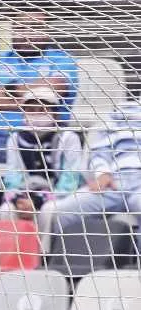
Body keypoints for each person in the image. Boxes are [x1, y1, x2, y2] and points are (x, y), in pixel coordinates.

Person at [0, 10, 79, 164]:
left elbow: (54, 88)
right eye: (21, 28)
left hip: (41, 140)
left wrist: (6, 91)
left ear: (47, 32)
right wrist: (29, 103)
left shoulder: (62, 60)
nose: (28, 33)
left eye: (35, 27)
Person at [48, 100, 141, 238]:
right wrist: (102, 173)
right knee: (61, 212)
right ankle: (65, 252)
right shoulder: (121, 113)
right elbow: (100, 151)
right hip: (113, 182)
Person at [0, 87, 83, 226]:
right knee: (6, 209)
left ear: (55, 114)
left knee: (48, 209)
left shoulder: (69, 138)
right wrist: (18, 199)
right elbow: (12, 178)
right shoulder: (15, 139)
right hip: (26, 194)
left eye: (42, 110)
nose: (36, 114)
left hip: (59, 195)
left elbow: (70, 181)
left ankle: (45, 242)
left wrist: (38, 200)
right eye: (31, 110)